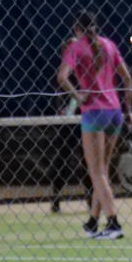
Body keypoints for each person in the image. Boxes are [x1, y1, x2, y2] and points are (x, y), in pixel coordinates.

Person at [57, 11, 132, 240]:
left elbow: (62, 77)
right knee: (103, 171)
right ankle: (92, 222)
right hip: (115, 112)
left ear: (76, 28)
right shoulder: (109, 44)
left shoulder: (76, 47)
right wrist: (128, 110)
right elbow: (127, 79)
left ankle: (113, 223)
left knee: (96, 172)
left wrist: (78, 97)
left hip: (94, 113)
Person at [49, 36, 92, 214]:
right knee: (62, 161)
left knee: (89, 161)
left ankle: (92, 200)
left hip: (85, 120)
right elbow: (60, 96)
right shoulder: (65, 72)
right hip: (68, 125)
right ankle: (56, 198)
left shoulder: (86, 69)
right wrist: (63, 111)